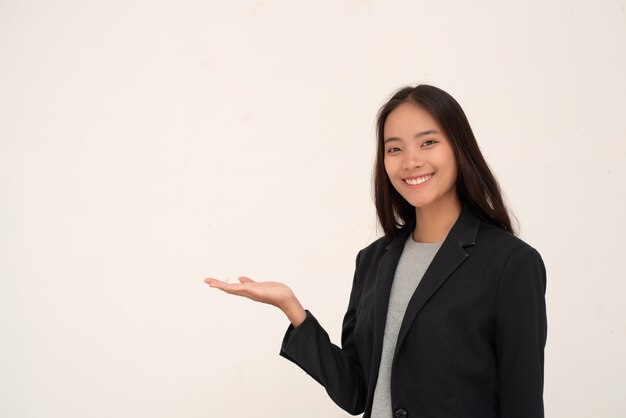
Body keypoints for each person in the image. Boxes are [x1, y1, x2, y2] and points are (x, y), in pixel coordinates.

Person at [204, 84, 547, 418]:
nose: (410, 162)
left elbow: (523, 404)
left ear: (458, 148)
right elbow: (357, 391)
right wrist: (292, 308)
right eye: (394, 149)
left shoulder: (510, 264)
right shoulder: (373, 260)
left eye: (427, 142)